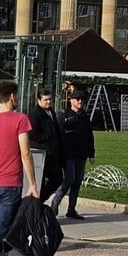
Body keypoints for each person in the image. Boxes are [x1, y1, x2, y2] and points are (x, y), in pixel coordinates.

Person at [0, 80, 39, 256]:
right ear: (12, 96)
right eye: (16, 95)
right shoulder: (20, 119)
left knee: (7, 233)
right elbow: (25, 153)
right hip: (10, 185)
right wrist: (33, 184)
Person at [51, 90, 95, 219]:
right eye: (77, 99)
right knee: (68, 180)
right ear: (71, 101)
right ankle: (55, 205)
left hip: (81, 154)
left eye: (82, 99)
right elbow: (57, 136)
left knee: (77, 181)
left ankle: (71, 209)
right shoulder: (64, 116)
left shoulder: (84, 117)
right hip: (67, 154)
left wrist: (91, 153)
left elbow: (89, 136)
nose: (80, 101)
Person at [27, 87, 63, 203]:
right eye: (45, 100)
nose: (48, 102)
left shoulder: (50, 111)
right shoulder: (34, 114)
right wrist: (48, 136)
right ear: (38, 100)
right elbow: (32, 133)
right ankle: (36, 203)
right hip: (41, 153)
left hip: (53, 153)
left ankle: (40, 200)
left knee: (57, 179)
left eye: (50, 99)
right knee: (41, 181)